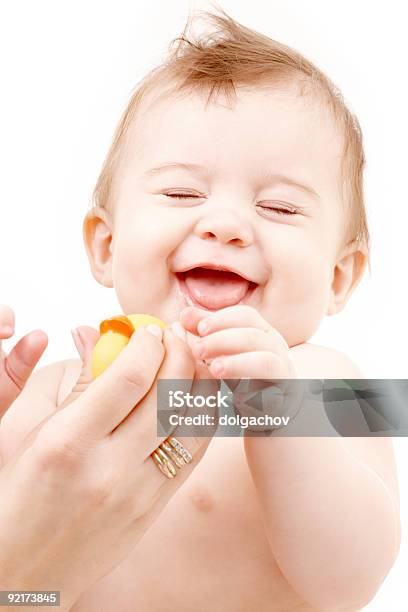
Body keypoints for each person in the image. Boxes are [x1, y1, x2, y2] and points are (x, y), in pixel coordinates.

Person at [0, 7, 400, 611]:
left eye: (281, 208)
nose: (225, 224)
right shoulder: (60, 389)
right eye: (182, 193)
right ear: (106, 246)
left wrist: (280, 413)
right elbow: (20, 556)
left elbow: (354, 583)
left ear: (339, 276)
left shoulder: (335, 379)